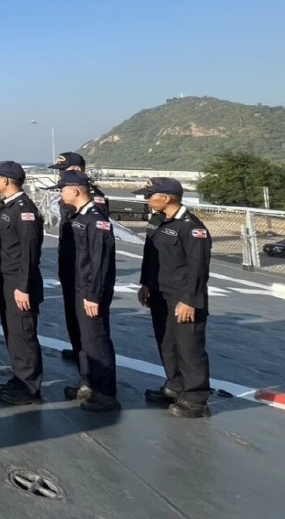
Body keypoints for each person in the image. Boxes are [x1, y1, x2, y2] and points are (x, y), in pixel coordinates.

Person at [136, 177, 213, 418]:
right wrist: (145, 284)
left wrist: (190, 300)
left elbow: (198, 267)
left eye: (151, 196)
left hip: (183, 296)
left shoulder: (192, 228)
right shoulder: (157, 221)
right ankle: (175, 385)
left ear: (166, 198)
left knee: (189, 347)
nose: (148, 200)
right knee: (167, 342)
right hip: (159, 292)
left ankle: (196, 398)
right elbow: (150, 255)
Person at [56, 171, 121, 411]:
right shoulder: (76, 217)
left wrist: (93, 295)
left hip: (89, 290)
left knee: (95, 340)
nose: (61, 193)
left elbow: (100, 261)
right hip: (74, 286)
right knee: (80, 339)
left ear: (75, 191)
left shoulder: (96, 220)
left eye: (63, 189)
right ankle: (87, 383)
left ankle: (105, 393)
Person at [0, 161, 45, 406]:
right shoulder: (11, 206)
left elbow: (30, 252)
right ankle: (20, 378)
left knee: (23, 334)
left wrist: (24, 286)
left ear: (6, 180)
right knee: (14, 334)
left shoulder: (24, 210)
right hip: (8, 279)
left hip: (20, 284)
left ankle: (30, 388)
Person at [48, 151, 108, 362]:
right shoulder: (67, 197)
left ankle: (94, 364)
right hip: (70, 264)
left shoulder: (94, 198)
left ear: (77, 170)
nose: (60, 176)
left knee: (92, 325)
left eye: (63, 171)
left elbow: (97, 243)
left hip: (85, 268)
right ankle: (79, 350)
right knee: (72, 314)